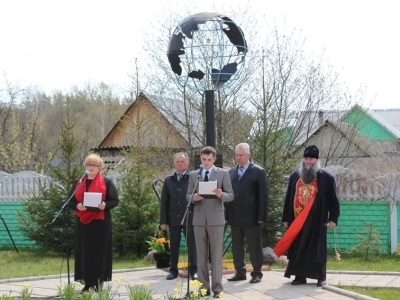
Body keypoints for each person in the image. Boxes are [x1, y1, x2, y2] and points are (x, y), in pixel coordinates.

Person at [280, 145, 340, 287]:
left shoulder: (326, 178)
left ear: (317, 160)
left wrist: (333, 218)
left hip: (317, 221)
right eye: (306, 158)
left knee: (317, 249)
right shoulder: (295, 176)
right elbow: (289, 198)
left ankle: (320, 277)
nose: (308, 161)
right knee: (298, 248)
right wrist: (286, 219)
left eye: (311, 159)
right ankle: (299, 276)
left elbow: (333, 200)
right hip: (297, 221)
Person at [186, 146, 234, 299]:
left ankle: (217, 288)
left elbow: (231, 195)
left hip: (216, 219)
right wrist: (193, 198)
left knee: (216, 255)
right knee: (200, 255)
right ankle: (203, 288)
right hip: (199, 219)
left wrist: (221, 195)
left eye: (209, 160)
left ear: (214, 159)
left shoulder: (223, 174)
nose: (206, 162)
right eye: (203, 159)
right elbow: (188, 195)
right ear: (201, 158)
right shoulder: (194, 175)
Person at [68, 154, 119, 293]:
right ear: (85, 166)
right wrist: (77, 206)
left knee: (98, 253)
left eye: (94, 165)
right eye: (89, 165)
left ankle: (98, 283)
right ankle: (87, 283)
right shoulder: (78, 183)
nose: (91, 168)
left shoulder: (106, 183)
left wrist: (105, 205)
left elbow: (115, 200)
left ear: (99, 168)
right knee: (84, 252)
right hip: (83, 223)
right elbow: (70, 201)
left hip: (100, 223)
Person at [226, 143, 268, 284]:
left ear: (248, 155)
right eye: (236, 155)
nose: (238, 158)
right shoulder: (231, 172)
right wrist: (227, 216)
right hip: (235, 217)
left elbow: (263, 195)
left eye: (241, 155)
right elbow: (228, 195)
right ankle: (240, 272)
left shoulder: (258, 171)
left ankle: (256, 273)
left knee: (255, 246)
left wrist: (261, 216)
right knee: (237, 248)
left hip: (252, 217)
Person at [160, 152, 197, 280]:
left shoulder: (193, 177)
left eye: (182, 161)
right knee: (174, 245)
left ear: (187, 163)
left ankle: (194, 270)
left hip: (190, 217)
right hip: (173, 218)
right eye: (178, 161)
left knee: (192, 246)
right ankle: (173, 270)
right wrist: (163, 221)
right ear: (174, 163)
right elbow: (164, 201)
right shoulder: (169, 180)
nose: (180, 163)